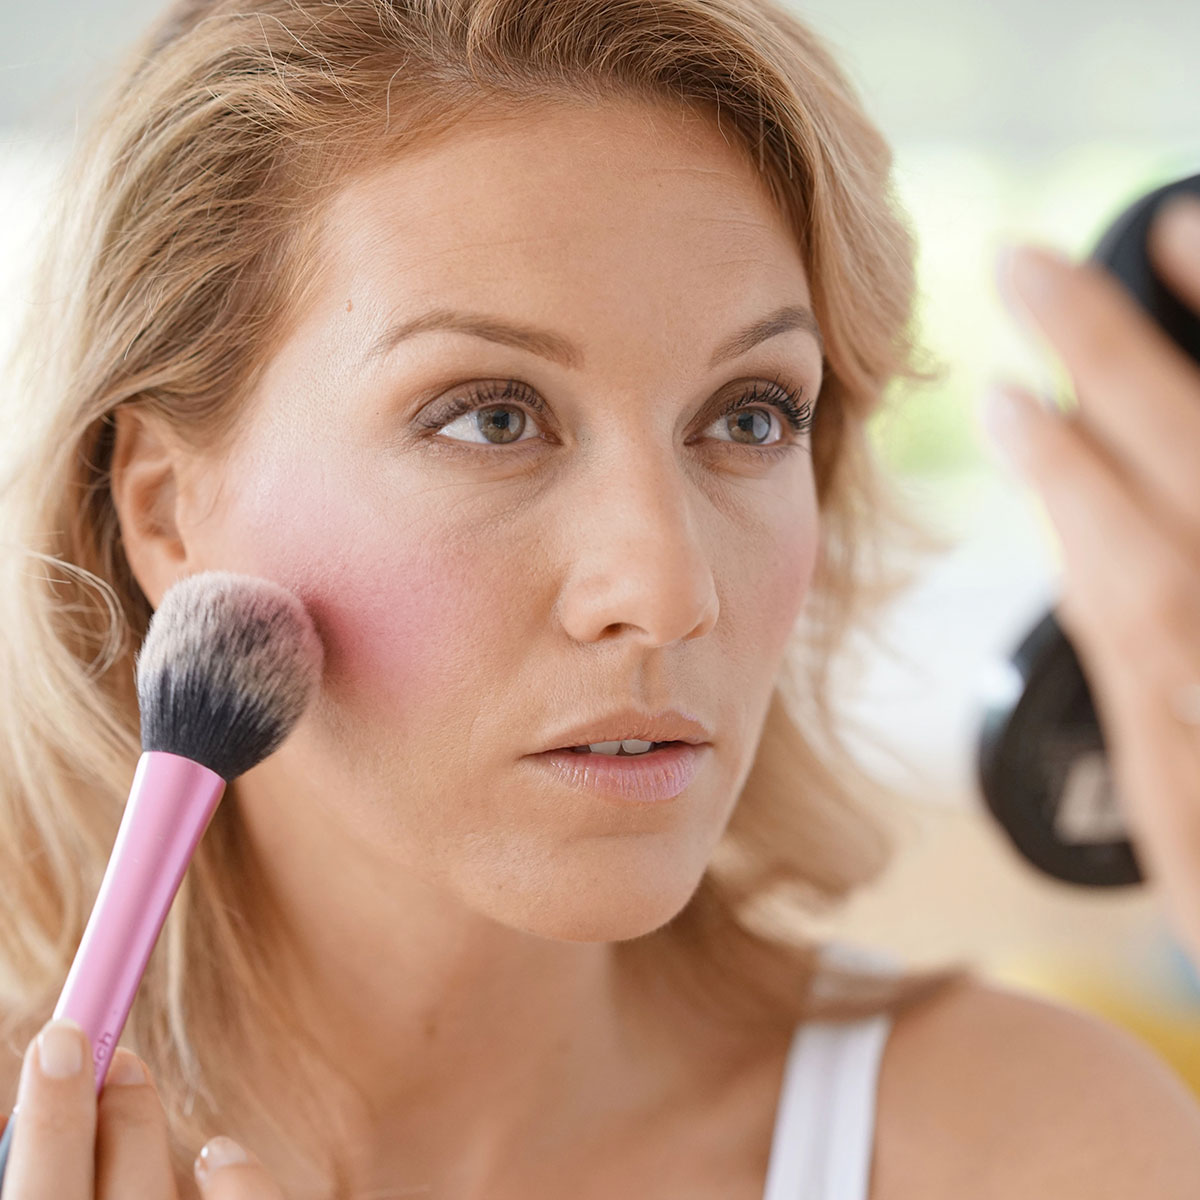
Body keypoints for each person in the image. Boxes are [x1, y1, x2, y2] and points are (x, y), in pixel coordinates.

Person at [1, 1, 1199, 1197]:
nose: (669, 592)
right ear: (165, 512)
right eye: (493, 417)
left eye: (749, 416)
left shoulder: (1041, 1147)